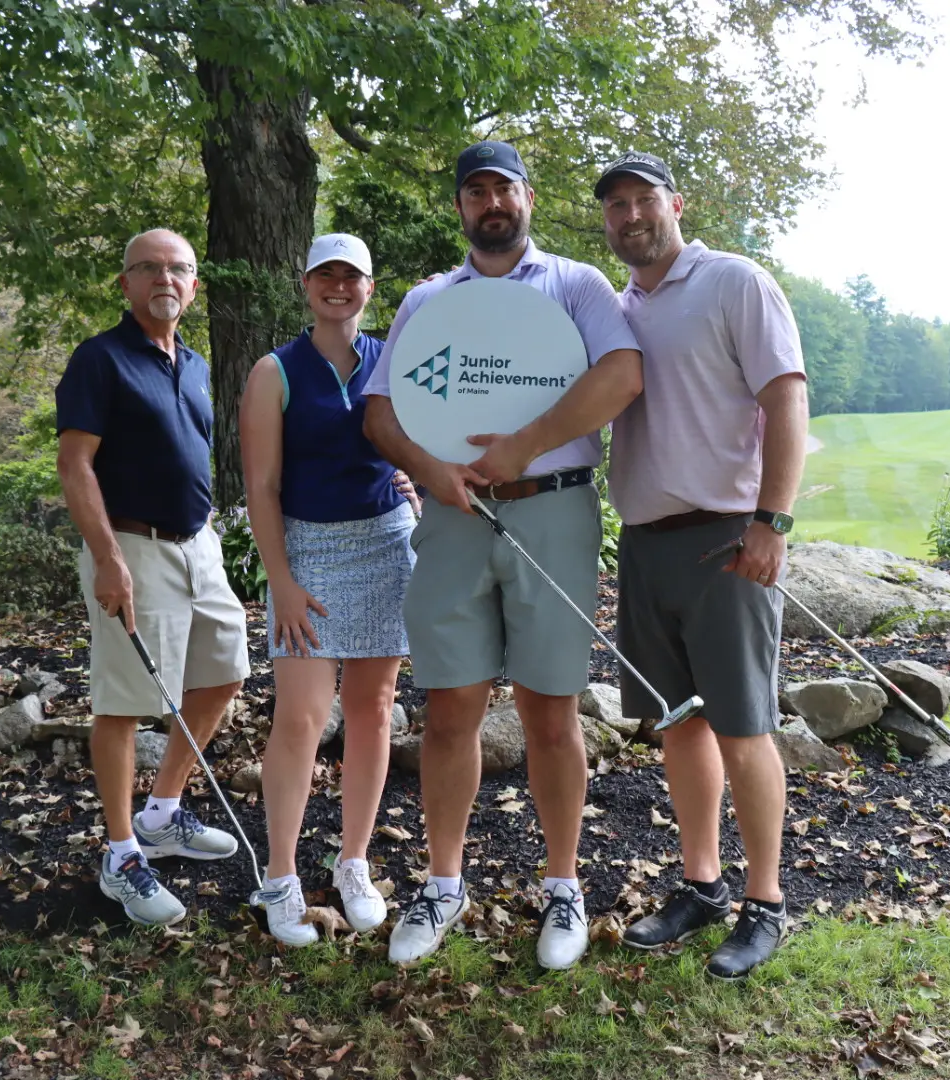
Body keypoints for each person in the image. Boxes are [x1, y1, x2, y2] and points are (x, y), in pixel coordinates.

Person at [362, 140, 644, 970]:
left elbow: (621, 376)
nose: (493, 202)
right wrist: (430, 469)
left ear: (527, 198)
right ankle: (444, 883)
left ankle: (563, 886)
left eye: (505, 188)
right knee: (449, 709)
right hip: (454, 519)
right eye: (477, 190)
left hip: (552, 511)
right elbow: (381, 416)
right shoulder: (427, 300)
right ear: (460, 206)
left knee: (551, 712)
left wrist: (522, 447)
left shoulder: (577, 286)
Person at [593, 151, 808, 980]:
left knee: (743, 726)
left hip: (727, 537)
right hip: (647, 542)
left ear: (675, 202)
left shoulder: (734, 283)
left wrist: (771, 521)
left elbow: (785, 396)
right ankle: (703, 886)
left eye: (643, 199)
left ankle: (766, 904)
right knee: (678, 722)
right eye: (615, 207)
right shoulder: (617, 309)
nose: (630, 216)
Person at [55, 228, 252, 927]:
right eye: (150, 269)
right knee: (123, 701)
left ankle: (163, 811)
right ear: (126, 283)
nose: (166, 279)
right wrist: (107, 558)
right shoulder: (99, 360)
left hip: (199, 545)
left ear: (194, 286)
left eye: (180, 269)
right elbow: (75, 465)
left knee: (225, 671)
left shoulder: (194, 364)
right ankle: (120, 854)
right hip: (132, 547)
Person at [238, 233, 420, 946]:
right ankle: (280, 876)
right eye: (325, 275)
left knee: (374, 709)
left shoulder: (393, 359)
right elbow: (261, 485)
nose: (338, 286)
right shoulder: (273, 371)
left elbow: (421, 437)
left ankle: (353, 862)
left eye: (352, 276)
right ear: (306, 284)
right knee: (302, 716)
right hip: (306, 551)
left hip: (385, 543)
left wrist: (416, 485)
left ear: (370, 287)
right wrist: (279, 580)